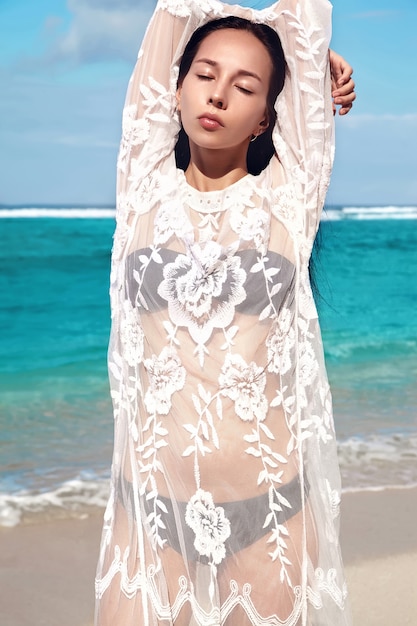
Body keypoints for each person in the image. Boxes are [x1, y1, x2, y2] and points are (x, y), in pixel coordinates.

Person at [95, 0, 356, 624]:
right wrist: (267, 33)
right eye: (203, 75)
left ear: (268, 116)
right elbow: (171, 10)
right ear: (177, 88)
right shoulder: (142, 183)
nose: (217, 96)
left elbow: (308, 9)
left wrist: (304, 52)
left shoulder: (290, 197)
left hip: (269, 513)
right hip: (149, 514)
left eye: (243, 86)